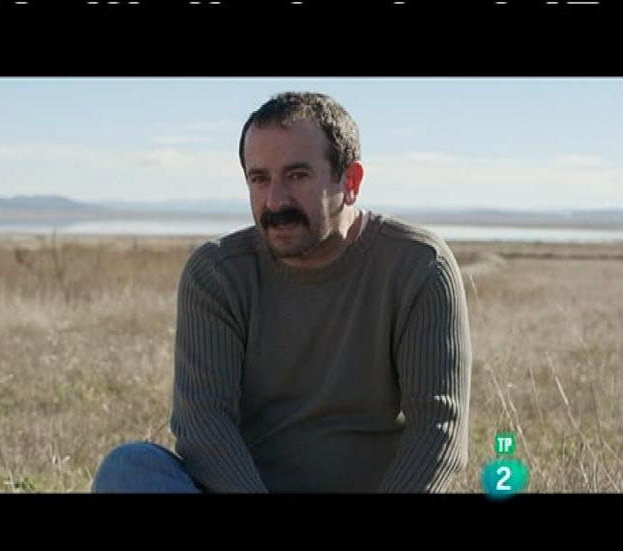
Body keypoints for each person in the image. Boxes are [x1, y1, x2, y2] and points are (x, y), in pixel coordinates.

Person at [92, 92, 471, 493]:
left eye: (297, 175)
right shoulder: (217, 274)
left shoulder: (418, 265)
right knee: (129, 469)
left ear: (350, 181)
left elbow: (438, 430)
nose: (275, 201)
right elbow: (203, 425)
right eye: (259, 179)